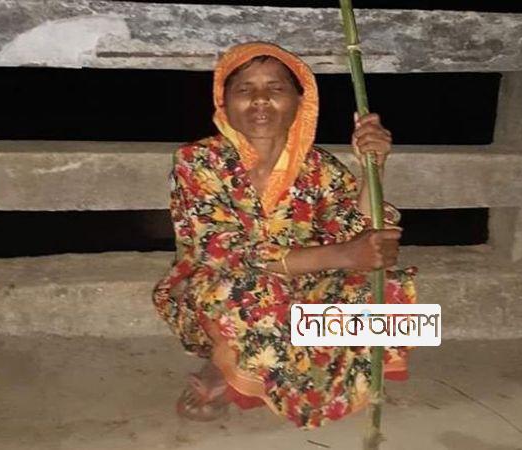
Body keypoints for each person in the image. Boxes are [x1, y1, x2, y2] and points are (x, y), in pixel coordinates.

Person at [151, 41, 418, 429]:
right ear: (223, 101)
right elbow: (223, 251)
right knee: (256, 294)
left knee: (387, 289)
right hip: (220, 293)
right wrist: (343, 255)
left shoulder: (319, 167)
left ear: (300, 102)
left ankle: (306, 372)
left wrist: (373, 168)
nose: (260, 99)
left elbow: (354, 230)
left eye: (275, 88)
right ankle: (225, 365)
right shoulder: (197, 161)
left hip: (301, 291)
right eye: (244, 89)